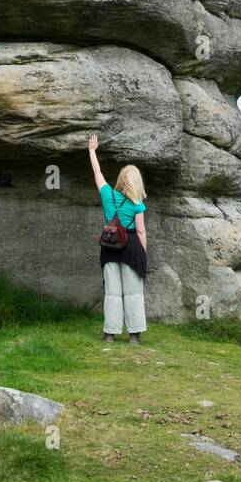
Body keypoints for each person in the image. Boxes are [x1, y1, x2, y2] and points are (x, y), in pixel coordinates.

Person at [87, 134, 147, 344]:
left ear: (121, 180)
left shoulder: (107, 195)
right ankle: (134, 335)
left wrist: (92, 151)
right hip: (131, 246)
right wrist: (143, 253)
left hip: (110, 246)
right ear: (136, 182)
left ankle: (110, 334)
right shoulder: (137, 203)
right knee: (133, 292)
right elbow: (141, 232)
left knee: (112, 292)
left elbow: (97, 172)